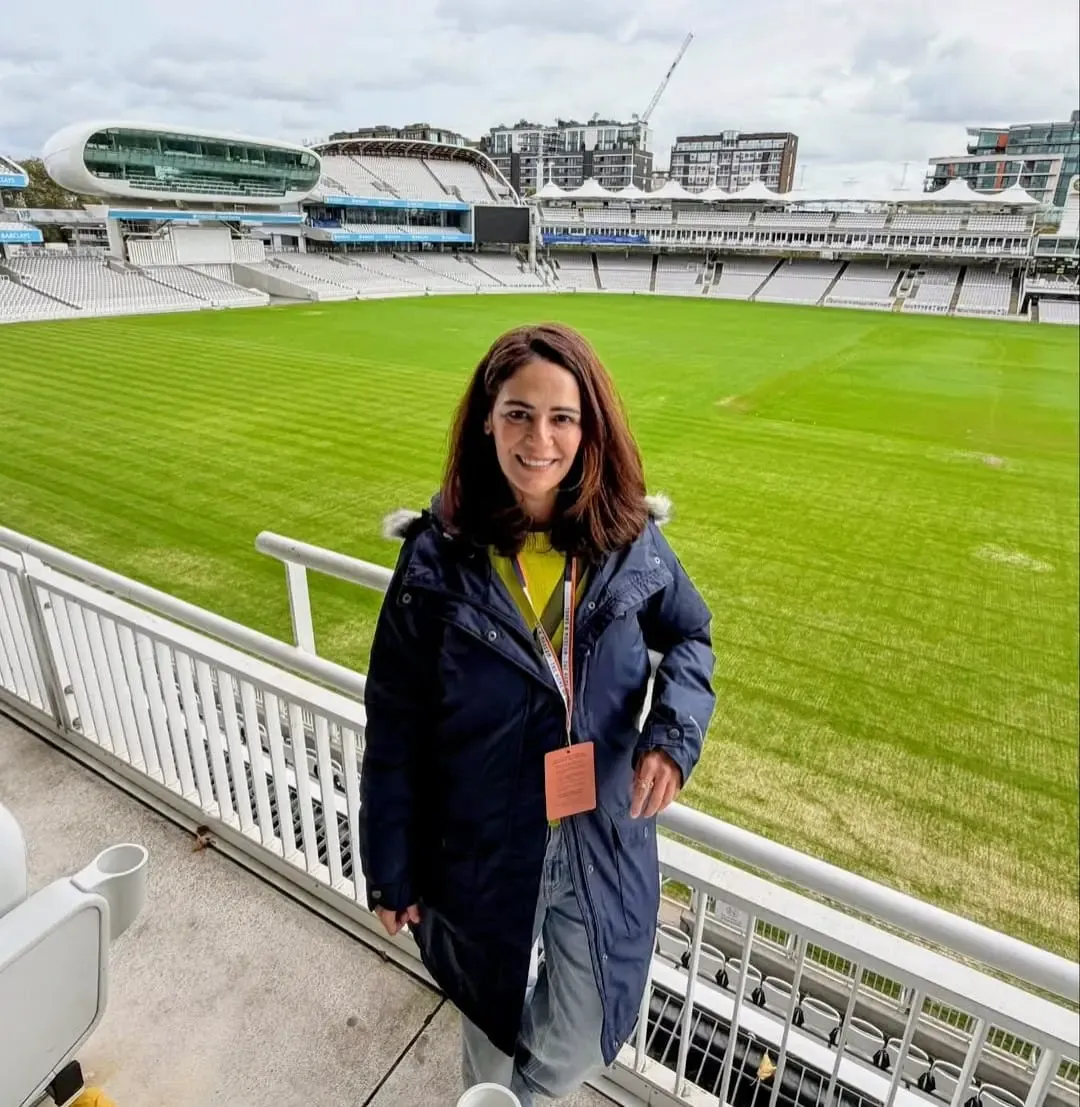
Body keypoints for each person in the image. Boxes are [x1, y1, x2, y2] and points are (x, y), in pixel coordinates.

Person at [358, 322, 715, 1104]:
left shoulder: (629, 541)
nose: (539, 438)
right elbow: (395, 724)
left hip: (599, 835)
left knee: (585, 1028)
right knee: (486, 1019)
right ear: (486, 418)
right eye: (518, 413)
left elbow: (691, 633)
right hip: (480, 844)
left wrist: (672, 734)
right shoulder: (436, 558)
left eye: (562, 417)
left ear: (589, 429)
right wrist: (392, 864)